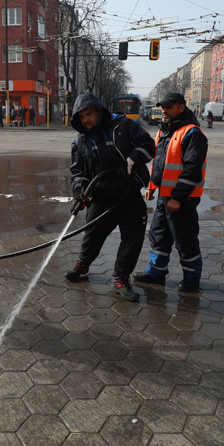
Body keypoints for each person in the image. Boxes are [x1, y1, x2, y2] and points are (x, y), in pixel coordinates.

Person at [65, 92, 155, 302]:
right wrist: (80, 191)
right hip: (101, 196)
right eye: (81, 117)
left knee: (132, 238)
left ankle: (121, 277)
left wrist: (132, 160)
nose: (85, 120)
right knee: (92, 235)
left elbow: (149, 146)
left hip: (128, 193)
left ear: (99, 110)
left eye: (88, 114)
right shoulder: (80, 141)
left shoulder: (123, 127)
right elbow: (78, 172)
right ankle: (83, 264)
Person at [133, 93, 208, 293]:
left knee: (185, 240)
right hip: (164, 197)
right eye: (163, 107)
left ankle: (192, 280)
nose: (164, 111)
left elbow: (192, 169)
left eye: (169, 107)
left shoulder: (192, 132)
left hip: (182, 200)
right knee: (159, 236)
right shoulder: (164, 132)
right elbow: (158, 165)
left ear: (181, 108)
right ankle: (156, 274)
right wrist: (151, 187)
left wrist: (177, 197)